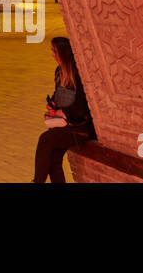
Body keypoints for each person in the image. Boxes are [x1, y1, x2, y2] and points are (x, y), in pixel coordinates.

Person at [32, 36, 95, 183]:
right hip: (64, 124)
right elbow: (57, 95)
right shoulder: (59, 72)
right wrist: (53, 105)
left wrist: (64, 112)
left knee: (45, 139)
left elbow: (82, 105)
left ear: (63, 53)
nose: (53, 55)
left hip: (80, 127)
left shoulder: (78, 74)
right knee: (53, 158)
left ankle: (37, 181)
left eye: (55, 51)